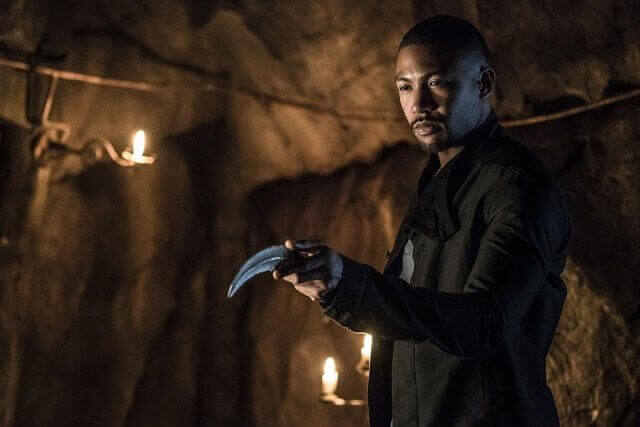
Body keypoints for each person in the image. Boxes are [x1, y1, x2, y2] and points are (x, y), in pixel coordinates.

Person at [273, 15, 570, 427]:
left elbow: (484, 323)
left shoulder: (517, 187)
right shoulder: (437, 183)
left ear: (484, 83)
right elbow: (415, 328)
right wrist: (336, 286)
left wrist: (350, 284)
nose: (419, 104)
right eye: (405, 87)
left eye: (438, 82)